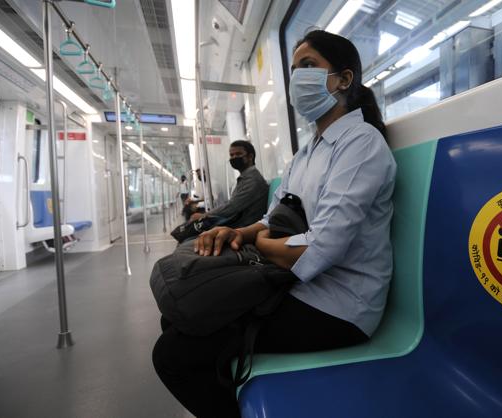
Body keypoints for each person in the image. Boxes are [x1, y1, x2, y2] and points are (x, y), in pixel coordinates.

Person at [152, 30, 396, 418]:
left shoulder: (361, 144)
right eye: (295, 68)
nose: (298, 76)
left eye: (309, 66)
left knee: (174, 354)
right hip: (294, 282)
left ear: (344, 80)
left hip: (341, 304)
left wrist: (262, 244)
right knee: (180, 315)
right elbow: (270, 219)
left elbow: (319, 249)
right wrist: (236, 232)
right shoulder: (307, 153)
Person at [185, 140, 269, 228]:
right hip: (236, 222)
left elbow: (232, 207)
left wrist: (205, 215)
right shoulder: (245, 178)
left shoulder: (252, 180)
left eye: (238, 154)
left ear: (250, 157)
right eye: (231, 155)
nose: (234, 157)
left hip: (243, 226)